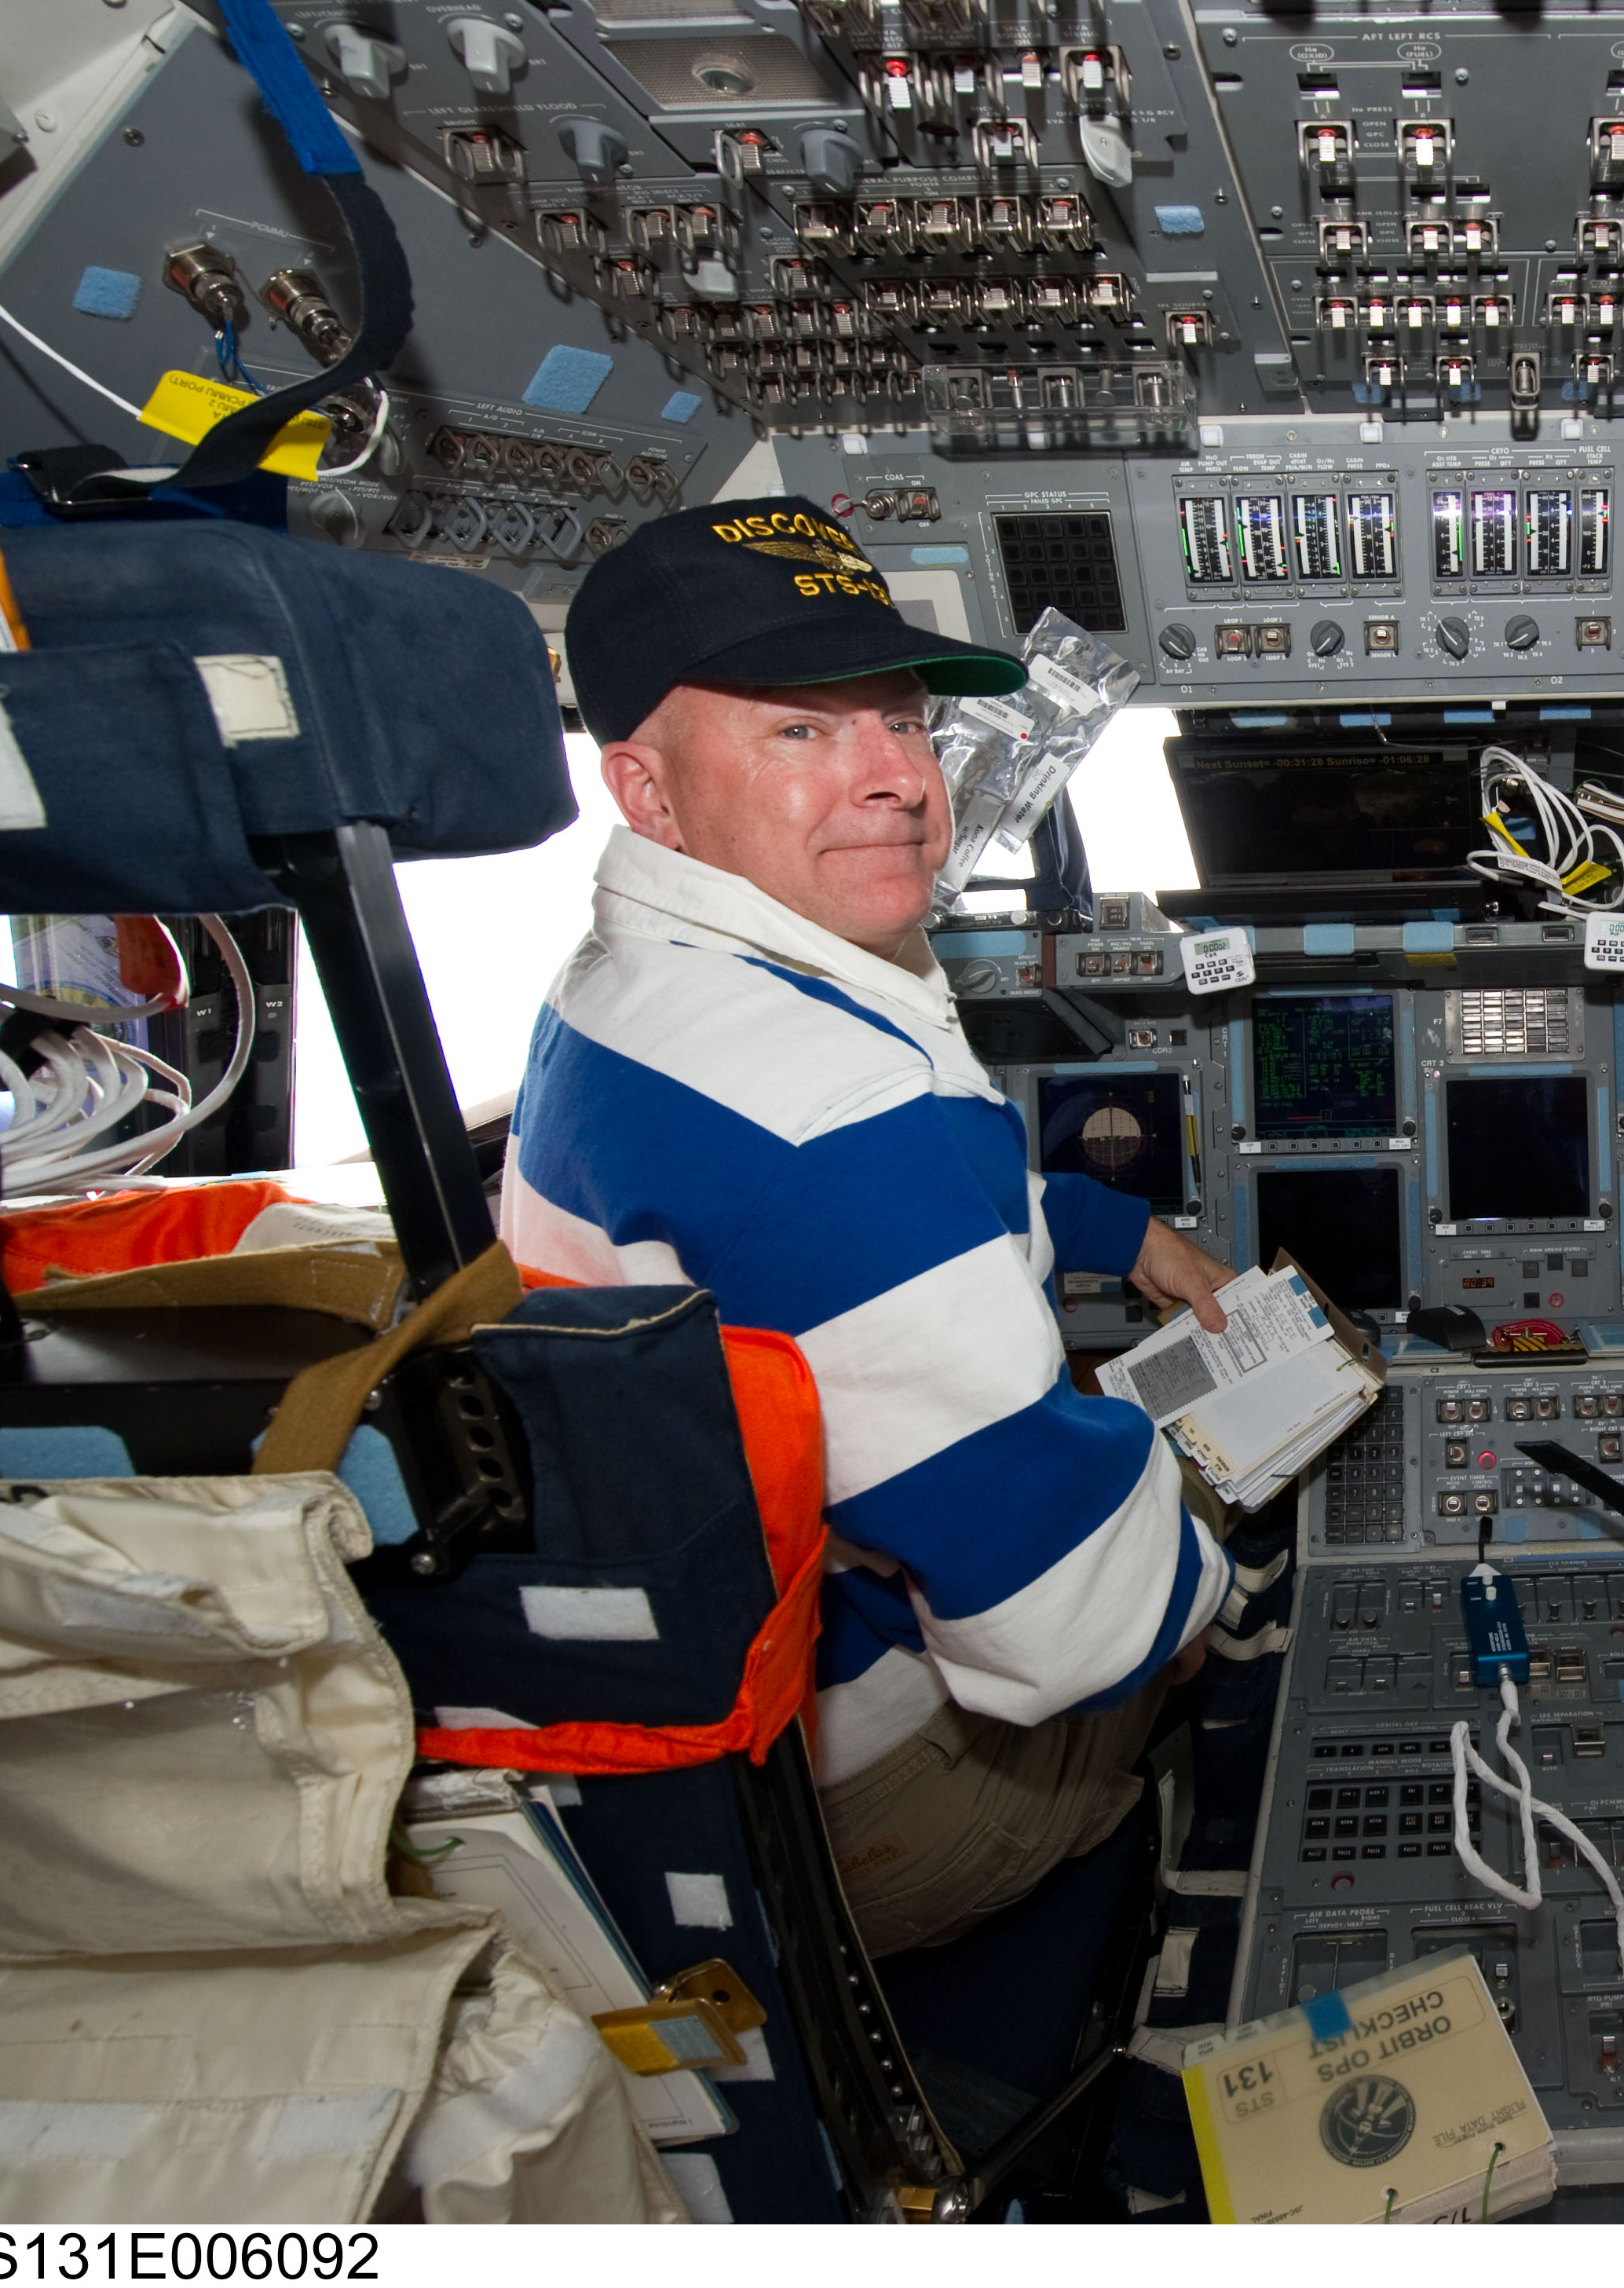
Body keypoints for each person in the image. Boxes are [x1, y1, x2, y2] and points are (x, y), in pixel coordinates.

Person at [503, 496, 1238, 1952]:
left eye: (901, 722)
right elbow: (1074, 1624)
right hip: (855, 1780)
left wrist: (1112, 1228)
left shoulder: (646, 990)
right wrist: (1215, 1521)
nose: (896, 777)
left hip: (700, 1717)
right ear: (645, 789)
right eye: (801, 730)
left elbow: (892, 1219)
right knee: (1226, 1564)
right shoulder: (820, 1102)